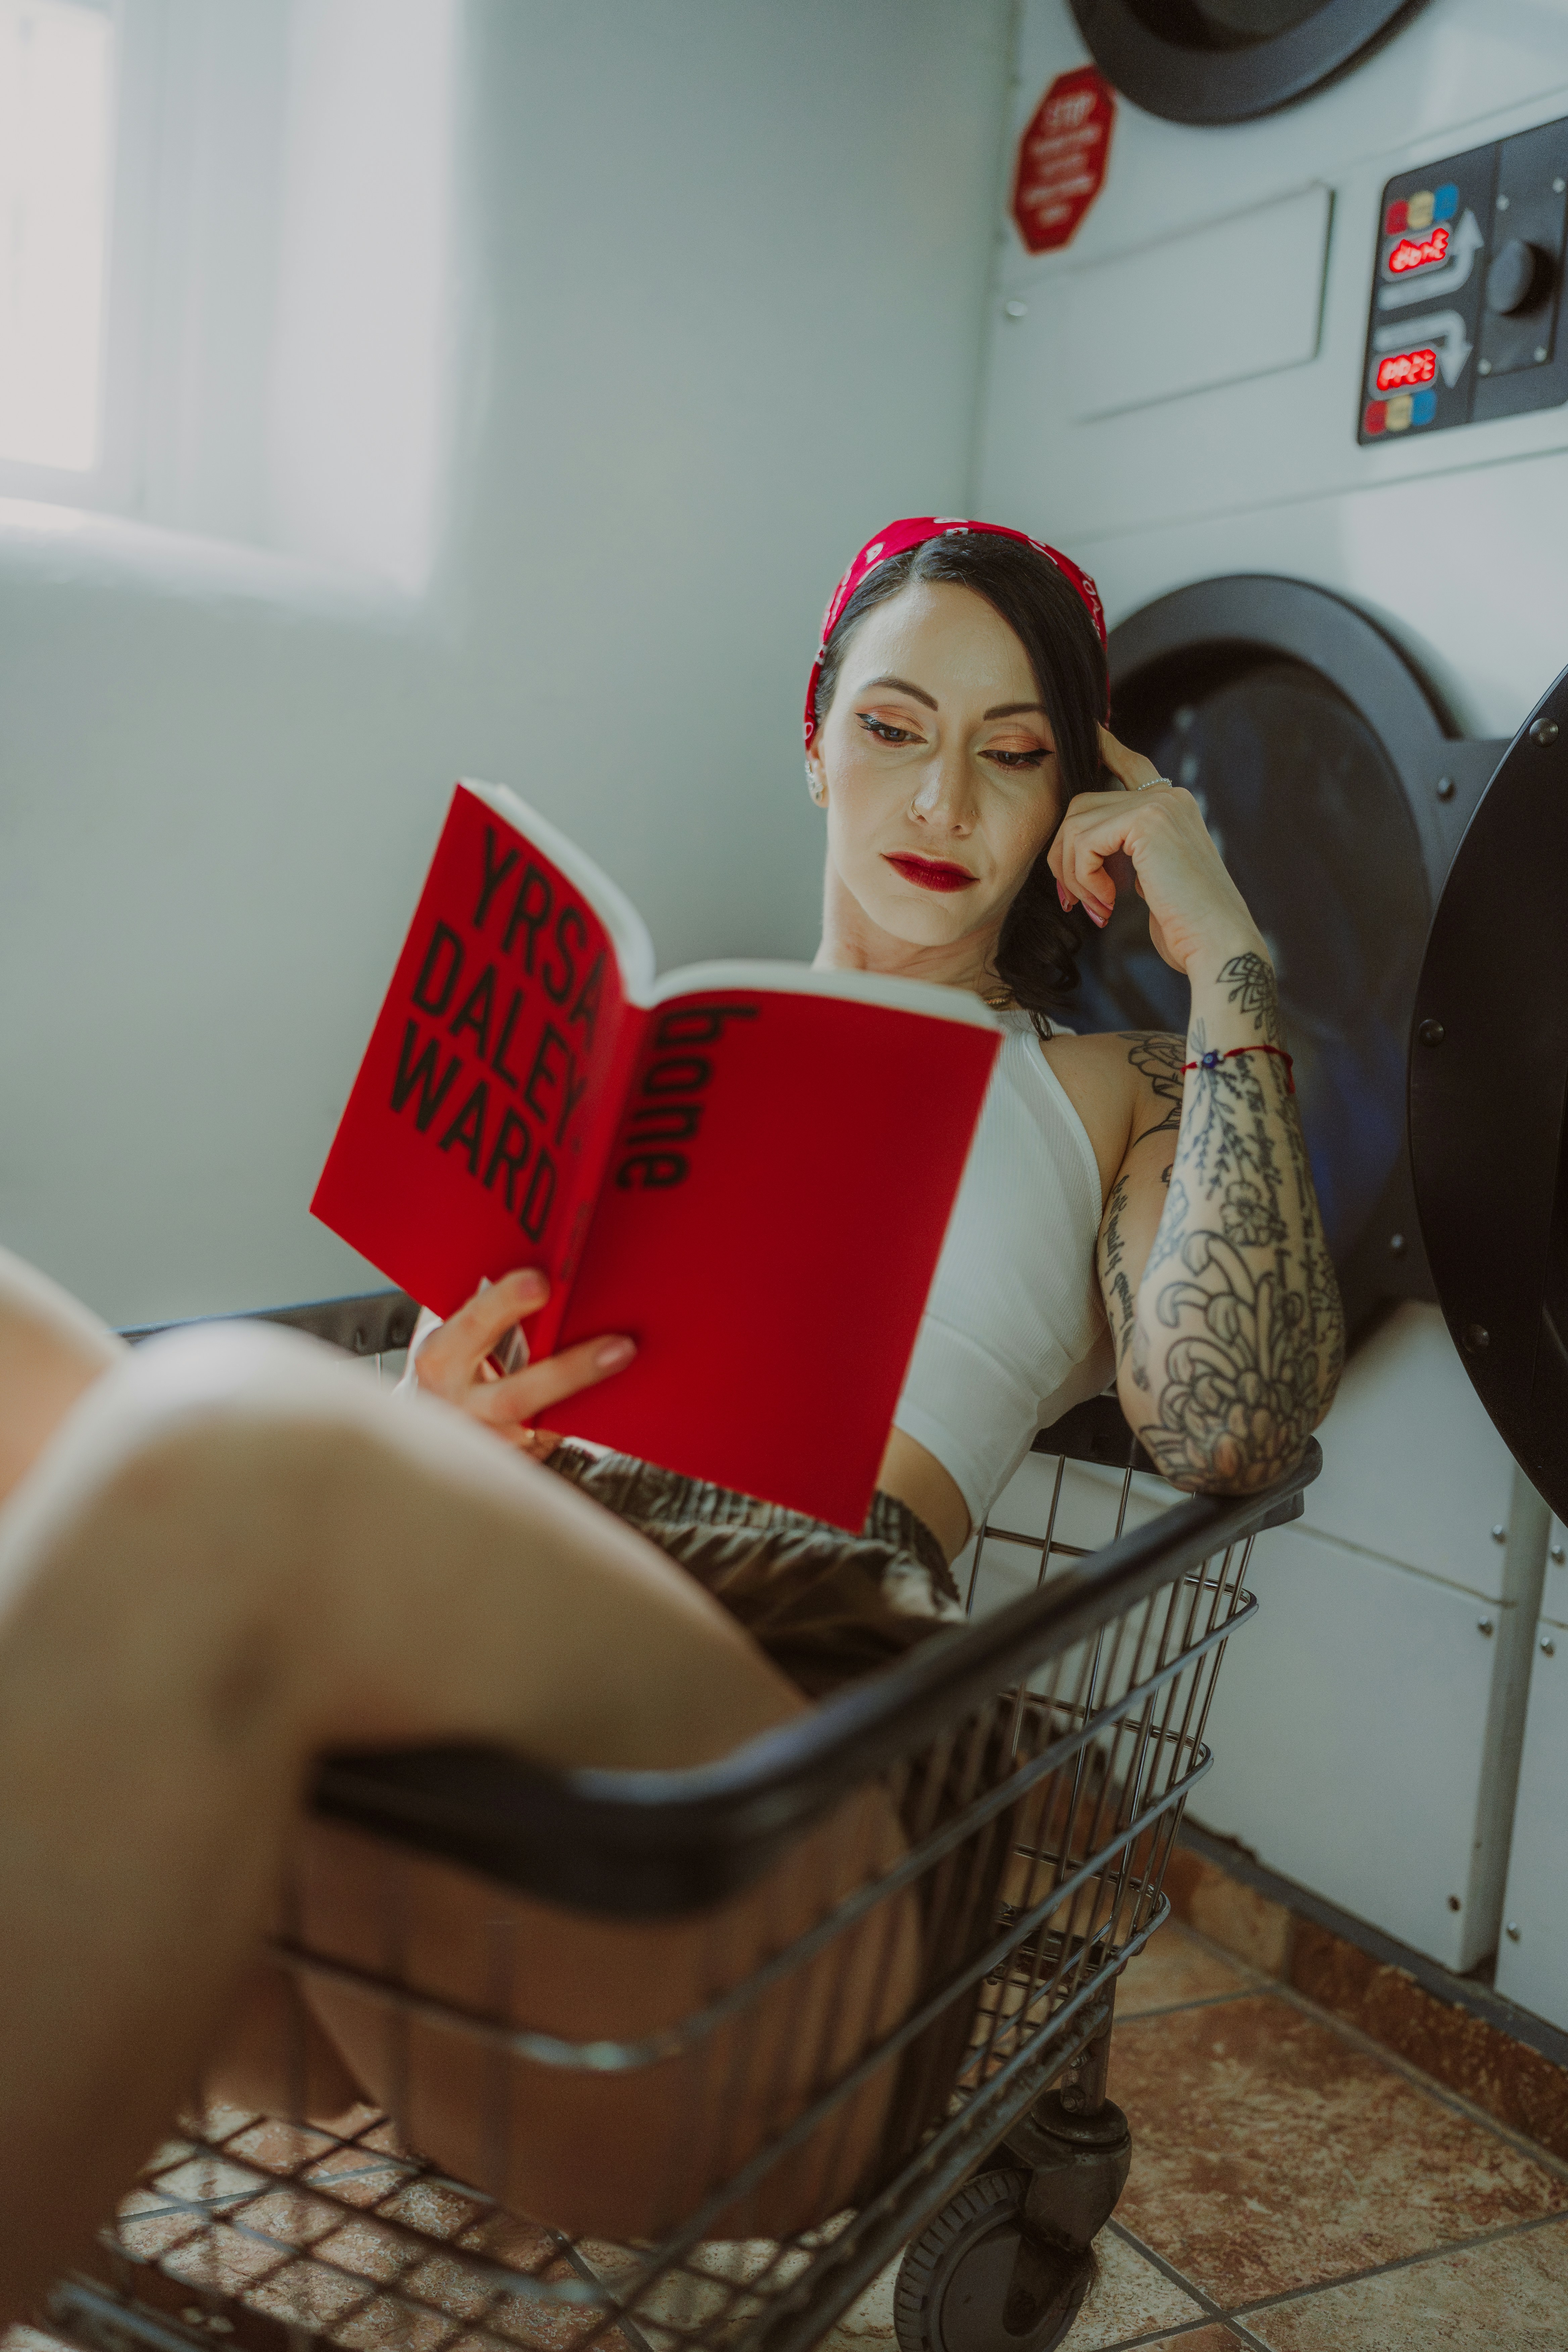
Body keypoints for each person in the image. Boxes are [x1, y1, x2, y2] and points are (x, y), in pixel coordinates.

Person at [0, 517, 1342, 2320]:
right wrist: (434, 1422)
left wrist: (1229, 952)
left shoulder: (1108, 1088)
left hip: (801, 1725)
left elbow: (1238, 1424)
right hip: (496, 1669)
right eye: (891, 728)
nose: (942, 795)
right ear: (811, 738)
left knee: (236, 1434)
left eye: (1014, 751)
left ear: (1076, 802)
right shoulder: (651, 1060)